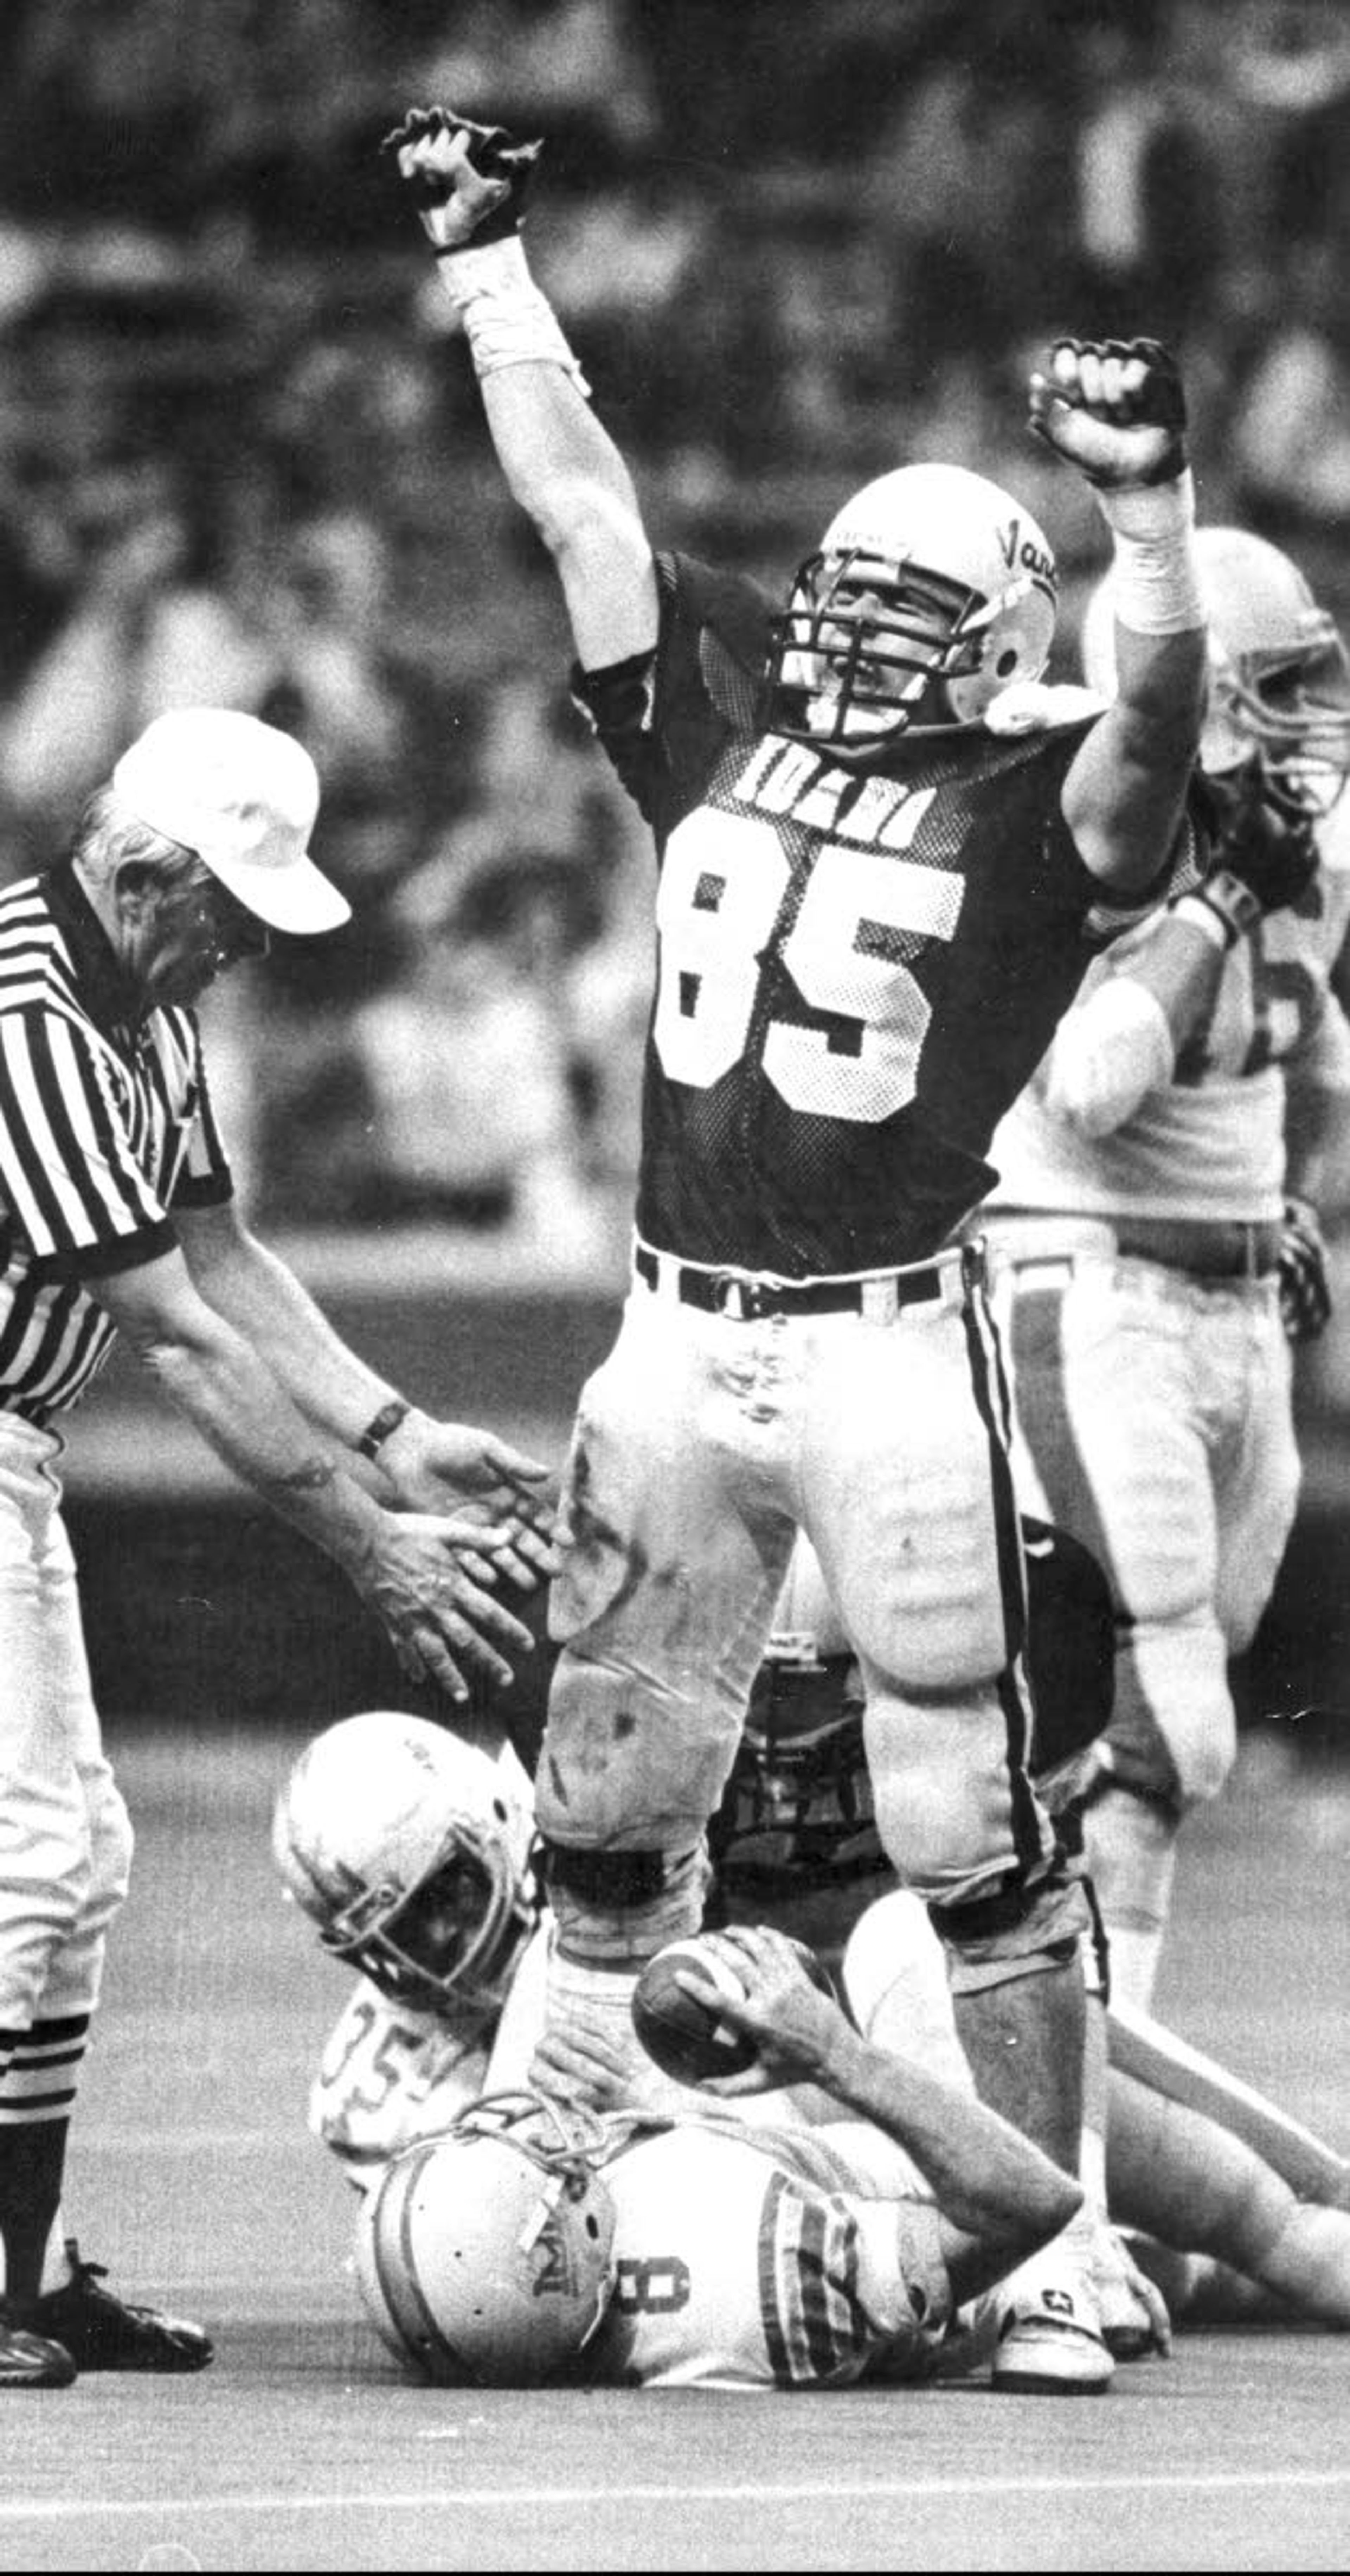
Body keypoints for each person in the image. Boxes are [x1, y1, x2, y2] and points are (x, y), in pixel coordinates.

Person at [382, 105, 1211, 2330]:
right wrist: (493, 272)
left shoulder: (1025, 780)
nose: (850, 639)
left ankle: (1067, 2240)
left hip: (877, 1345)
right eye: (850, 598)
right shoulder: (797, 705)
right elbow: (580, 499)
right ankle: (568, 2153)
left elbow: (1151, 723)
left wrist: (1151, 515)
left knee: (969, 1833)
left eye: (903, 614)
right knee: (606, 1792)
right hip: (675, 1340)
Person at [0, 703, 557, 2390]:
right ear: (141, 869)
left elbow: (225, 1258)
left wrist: (395, 1430)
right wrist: (369, 1548)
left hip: (16, 1448)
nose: (245, 946)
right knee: (34, 1857)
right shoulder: (29, 1013)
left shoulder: (138, 1005)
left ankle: (22, 2262)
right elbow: (175, 1337)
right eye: (231, 912)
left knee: (72, 1857)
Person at [275, 1704, 1350, 2391]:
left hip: (883, 2072)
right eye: (393, 1940)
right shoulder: (376, 2101)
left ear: (502, 1816)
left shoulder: (613, 1841)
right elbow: (516, 2302)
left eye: (446, 1897)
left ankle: (1104, 2253)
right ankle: (1089, 2260)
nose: (436, 1949)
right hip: (815, 2190)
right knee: (1201, 2260)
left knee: (1274, 2197)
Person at [979, 527, 1350, 2010]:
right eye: (1282, 683)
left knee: (1154, 1762)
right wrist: (1221, 902)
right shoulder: (1083, 829)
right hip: (1090, 1286)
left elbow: (1318, 1032)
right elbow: (1088, 1083)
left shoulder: (1316, 838)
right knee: (1161, 1724)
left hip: (1238, 1308)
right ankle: (1064, 2105)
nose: (1315, 711)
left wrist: (1301, 1192)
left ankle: (1095, 2100)